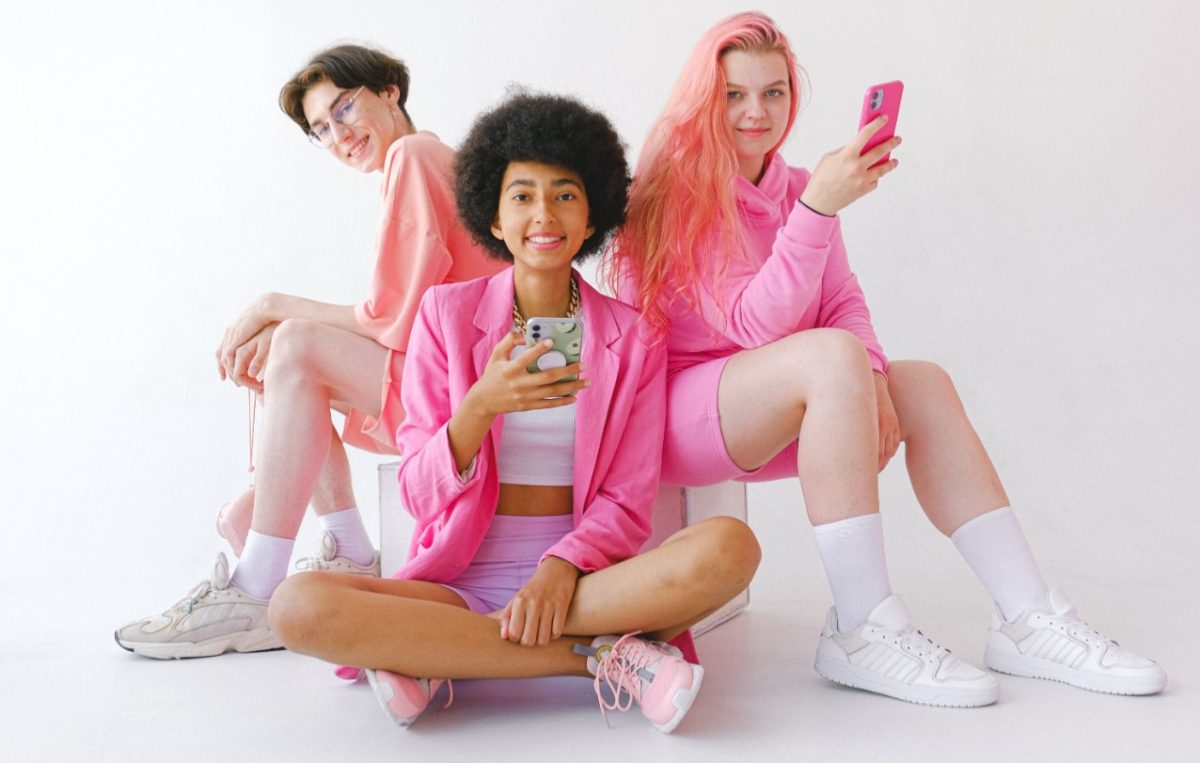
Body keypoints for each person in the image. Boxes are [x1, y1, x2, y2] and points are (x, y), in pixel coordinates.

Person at [610, 11, 1165, 706]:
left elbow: (842, 298)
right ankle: (860, 623)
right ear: (704, 98)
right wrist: (817, 211)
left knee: (921, 383)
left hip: (772, 397)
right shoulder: (678, 193)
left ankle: (1028, 615)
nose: (757, 112)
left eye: (774, 92)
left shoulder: (796, 185)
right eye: (734, 94)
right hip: (676, 413)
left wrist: (872, 380)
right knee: (830, 356)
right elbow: (752, 327)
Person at [267, 93, 760, 732]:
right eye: (522, 196)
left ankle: (434, 653)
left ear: (592, 218)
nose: (543, 214)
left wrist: (560, 570)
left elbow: (630, 499)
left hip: (588, 583)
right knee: (296, 606)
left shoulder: (635, 336)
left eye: (565, 194)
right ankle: (606, 657)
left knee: (731, 546)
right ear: (493, 219)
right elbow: (418, 495)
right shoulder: (445, 317)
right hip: (456, 583)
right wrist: (479, 408)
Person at [114, 44, 505, 659]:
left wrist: (274, 305)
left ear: (390, 92)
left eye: (344, 108)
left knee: (294, 344)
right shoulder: (418, 164)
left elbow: (388, 317)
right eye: (322, 129)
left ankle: (254, 587)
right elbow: (402, 317)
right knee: (288, 351)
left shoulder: (414, 154)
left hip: (468, 398)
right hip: (453, 385)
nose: (339, 134)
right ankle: (346, 548)